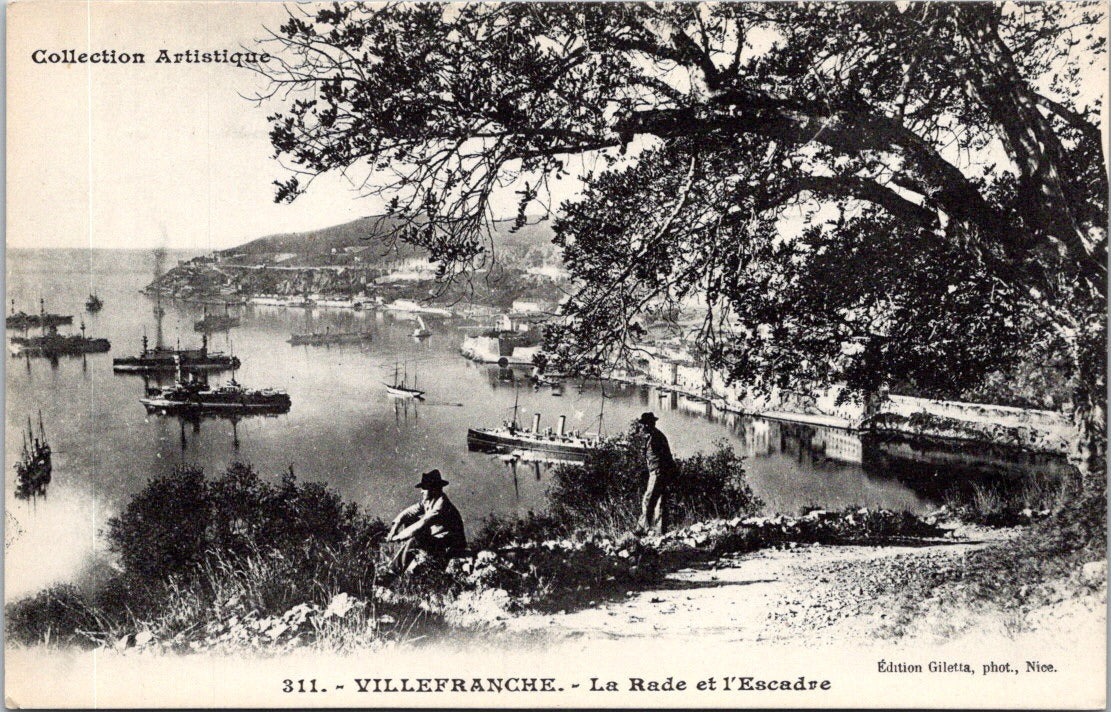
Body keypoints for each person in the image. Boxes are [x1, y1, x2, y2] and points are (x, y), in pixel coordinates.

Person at [386, 469, 468, 572]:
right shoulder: (428, 501)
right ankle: (408, 561)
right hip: (438, 540)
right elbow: (407, 513)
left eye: (424, 488)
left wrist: (398, 537)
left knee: (415, 537)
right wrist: (394, 528)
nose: (421, 491)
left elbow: (423, 523)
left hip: (450, 544)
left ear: (433, 489)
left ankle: (393, 572)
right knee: (409, 521)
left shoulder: (441, 505)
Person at [636, 411, 677, 534]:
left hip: (657, 472)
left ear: (648, 425)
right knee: (659, 501)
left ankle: (643, 529)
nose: (642, 427)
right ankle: (660, 531)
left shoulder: (655, 438)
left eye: (644, 424)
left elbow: (662, 456)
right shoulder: (655, 436)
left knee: (648, 500)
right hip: (661, 472)